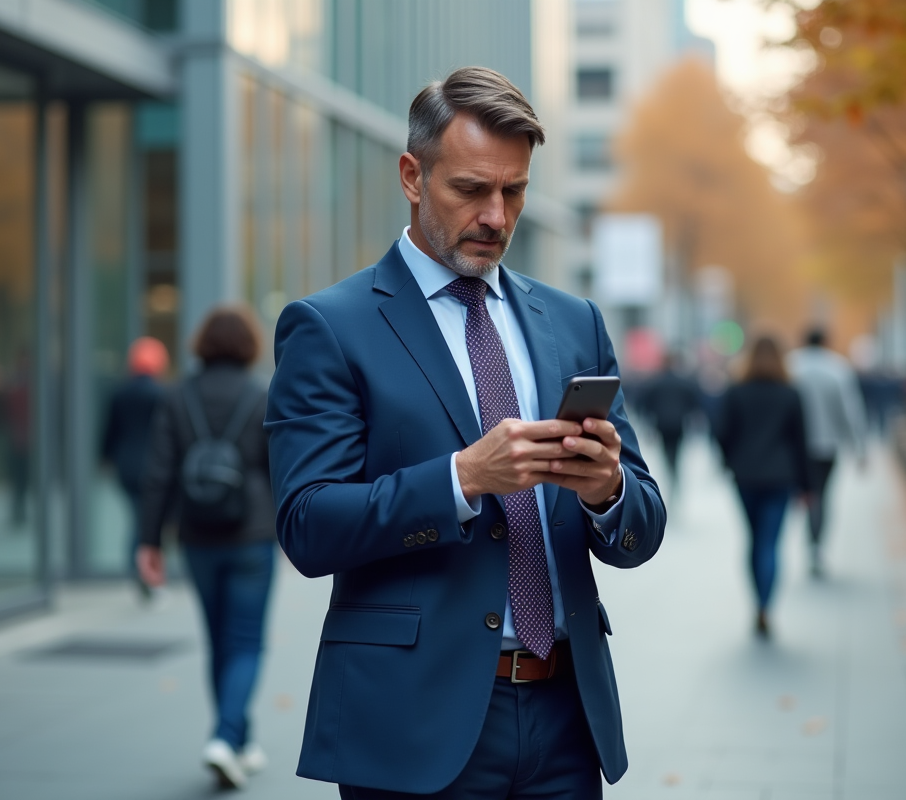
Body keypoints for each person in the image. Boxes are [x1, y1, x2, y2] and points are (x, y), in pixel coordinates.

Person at [266, 67, 665, 798]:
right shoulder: (330, 327)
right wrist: (462, 479)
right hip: (413, 724)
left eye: (513, 191)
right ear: (413, 177)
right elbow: (307, 525)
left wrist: (609, 490)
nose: (495, 215)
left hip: (567, 720)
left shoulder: (575, 323)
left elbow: (643, 528)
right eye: (471, 190)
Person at [137, 307, 275, 790]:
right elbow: (277, 468)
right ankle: (227, 735)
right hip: (252, 536)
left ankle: (237, 740)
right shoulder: (261, 396)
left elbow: (158, 475)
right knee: (247, 641)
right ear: (248, 346)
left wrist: (148, 541)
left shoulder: (178, 397)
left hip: (197, 535)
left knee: (220, 640)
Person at [714, 336, 809, 638]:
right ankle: (766, 605)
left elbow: (721, 431)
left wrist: (730, 460)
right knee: (771, 541)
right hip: (781, 477)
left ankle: (758, 601)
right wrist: (807, 485)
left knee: (754, 539)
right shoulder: (790, 393)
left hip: (746, 475)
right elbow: (800, 442)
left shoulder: (736, 392)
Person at [786, 328, 868, 577]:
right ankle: (816, 546)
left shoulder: (790, 365)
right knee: (821, 495)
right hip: (826, 444)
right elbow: (850, 410)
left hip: (791, 446)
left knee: (796, 495)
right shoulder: (837, 368)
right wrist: (859, 447)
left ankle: (798, 541)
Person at [101, 336, 169, 598]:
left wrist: (106, 459)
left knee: (139, 519)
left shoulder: (120, 393)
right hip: (153, 468)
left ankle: (139, 571)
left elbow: (109, 432)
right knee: (145, 522)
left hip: (126, 467)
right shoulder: (161, 394)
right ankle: (144, 574)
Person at [639, 354, 703, 494]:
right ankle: (674, 472)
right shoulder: (682, 382)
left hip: (661, 423)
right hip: (678, 423)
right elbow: (693, 401)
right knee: (676, 450)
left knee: (666, 450)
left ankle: (670, 470)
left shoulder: (656, 382)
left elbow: (645, 403)